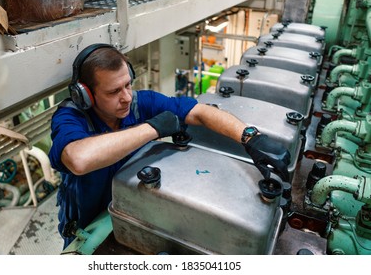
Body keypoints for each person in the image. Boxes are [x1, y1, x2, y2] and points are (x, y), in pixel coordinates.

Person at [48, 43, 291, 248]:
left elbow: (200, 112)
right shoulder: (70, 118)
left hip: (134, 208)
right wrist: (152, 128)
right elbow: (78, 159)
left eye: (128, 85)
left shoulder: (140, 103)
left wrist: (250, 137)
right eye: (113, 92)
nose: (127, 97)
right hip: (88, 226)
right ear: (86, 95)